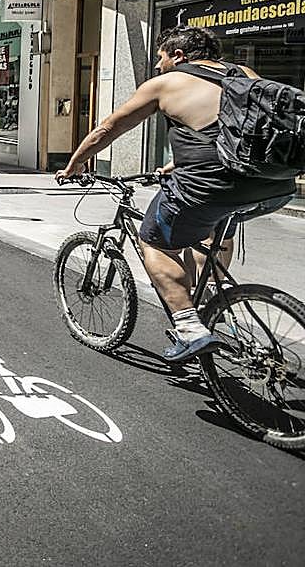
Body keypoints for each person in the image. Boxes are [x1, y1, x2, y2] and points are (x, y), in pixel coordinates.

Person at [56, 26, 296, 363]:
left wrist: (74, 166)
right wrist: (175, 164)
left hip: (211, 185)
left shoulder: (165, 84)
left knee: (154, 240)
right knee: (212, 226)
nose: (157, 66)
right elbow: (234, 134)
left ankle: (189, 327)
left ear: (178, 56)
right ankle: (209, 296)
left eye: (161, 58)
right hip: (275, 185)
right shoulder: (243, 73)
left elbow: (108, 128)